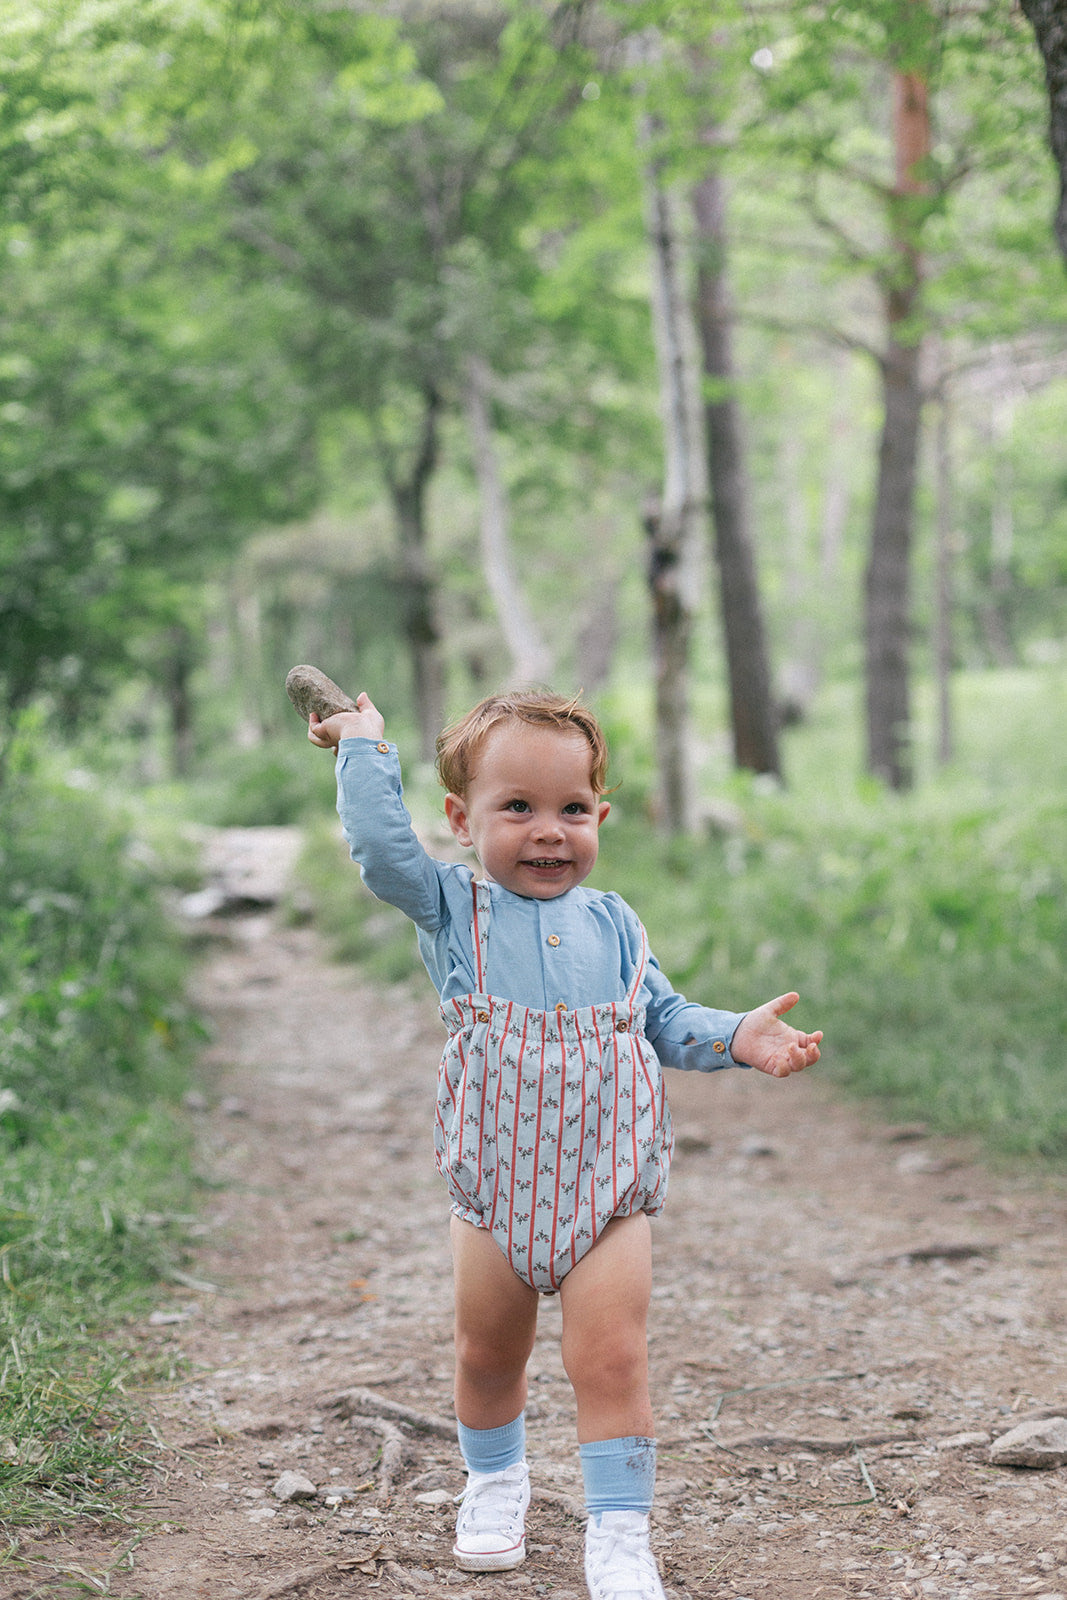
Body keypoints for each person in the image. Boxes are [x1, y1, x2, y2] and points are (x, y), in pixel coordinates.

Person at [306, 687, 822, 1600]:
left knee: (613, 1356)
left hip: (607, 1182)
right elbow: (383, 852)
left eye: (571, 810)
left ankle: (619, 1534)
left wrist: (739, 1035)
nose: (549, 832)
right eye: (518, 808)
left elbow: (660, 1016)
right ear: (462, 822)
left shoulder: (615, 924)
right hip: (496, 1184)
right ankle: (496, 1483)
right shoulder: (449, 907)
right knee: (485, 1352)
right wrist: (362, 748)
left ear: (600, 817)